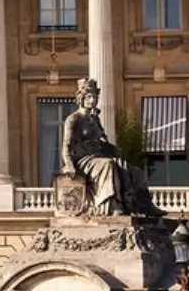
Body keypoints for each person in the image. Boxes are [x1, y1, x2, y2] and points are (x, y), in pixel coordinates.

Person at [60, 77, 164, 217]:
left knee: (134, 170)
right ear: (81, 98)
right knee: (108, 165)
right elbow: (66, 146)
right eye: (90, 97)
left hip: (98, 158)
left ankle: (144, 205)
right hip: (84, 161)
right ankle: (112, 206)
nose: (93, 100)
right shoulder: (73, 119)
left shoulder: (94, 119)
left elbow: (103, 142)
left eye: (95, 97)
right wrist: (69, 165)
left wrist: (114, 149)